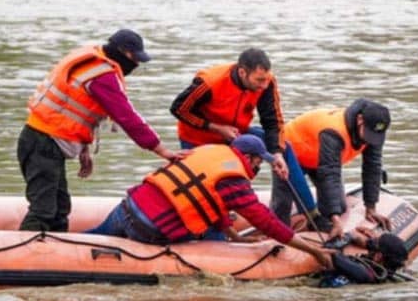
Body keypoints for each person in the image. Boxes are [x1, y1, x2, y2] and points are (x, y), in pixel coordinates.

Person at [17, 28, 184, 232]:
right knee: (43, 211)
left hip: (46, 140)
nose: (137, 64)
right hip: (42, 143)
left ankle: (53, 255)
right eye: (134, 58)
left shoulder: (94, 58)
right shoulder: (102, 76)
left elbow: (75, 108)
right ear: (121, 52)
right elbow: (127, 117)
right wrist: (162, 151)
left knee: (60, 210)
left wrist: (83, 148)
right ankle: (19, 257)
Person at [86, 134, 333, 268]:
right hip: (150, 229)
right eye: (258, 163)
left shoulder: (206, 152)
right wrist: (313, 251)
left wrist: (236, 237)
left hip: (127, 207)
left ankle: (48, 243)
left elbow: (211, 202)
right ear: (249, 158)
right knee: (213, 239)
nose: (257, 168)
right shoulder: (234, 179)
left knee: (89, 237)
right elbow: (265, 221)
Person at [169, 48, 318, 217]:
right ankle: (216, 213)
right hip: (198, 137)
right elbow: (179, 109)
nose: (263, 85)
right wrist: (215, 128)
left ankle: (311, 214)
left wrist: (276, 153)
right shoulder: (210, 82)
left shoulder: (267, 83)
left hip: (235, 134)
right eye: (259, 80)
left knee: (285, 148)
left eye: (266, 79)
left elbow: (272, 120)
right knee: (207, 186)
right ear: (242, 72)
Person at [271, 98, 394, 239]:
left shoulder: (373, 134)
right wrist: (335, 220)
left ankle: (314, 224)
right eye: (368, 134)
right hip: (290, 152)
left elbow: (372, 167)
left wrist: (371, 207)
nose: (370, 140)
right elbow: (330, 174)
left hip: (319, 157)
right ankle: (277, 237)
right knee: (282, 205)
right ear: (360, 120)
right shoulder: (334, 131)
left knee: (339, 206)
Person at [318, 227, 409, 288]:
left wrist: (347, 237)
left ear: (378, 256)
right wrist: (365, 242)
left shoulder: (363, 273)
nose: (371, 246)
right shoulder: (382, 274)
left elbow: (331, 252)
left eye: (375, 245)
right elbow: (372, 246)